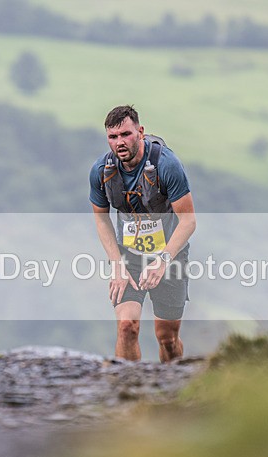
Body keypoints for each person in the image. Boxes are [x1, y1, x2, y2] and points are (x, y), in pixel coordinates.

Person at [89, 105, 196, 363]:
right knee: (127, 327)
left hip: (170, 255)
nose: (120, 142)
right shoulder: (101, 170)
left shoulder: (166, 165)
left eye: (126, 134)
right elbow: (101, 219)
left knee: (167, 339)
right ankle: (127, 394)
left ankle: (171, 392)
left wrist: (162, 261)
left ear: (140, 132)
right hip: (130, 257)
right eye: (113, 137)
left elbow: (189, 221)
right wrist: (116, 264)